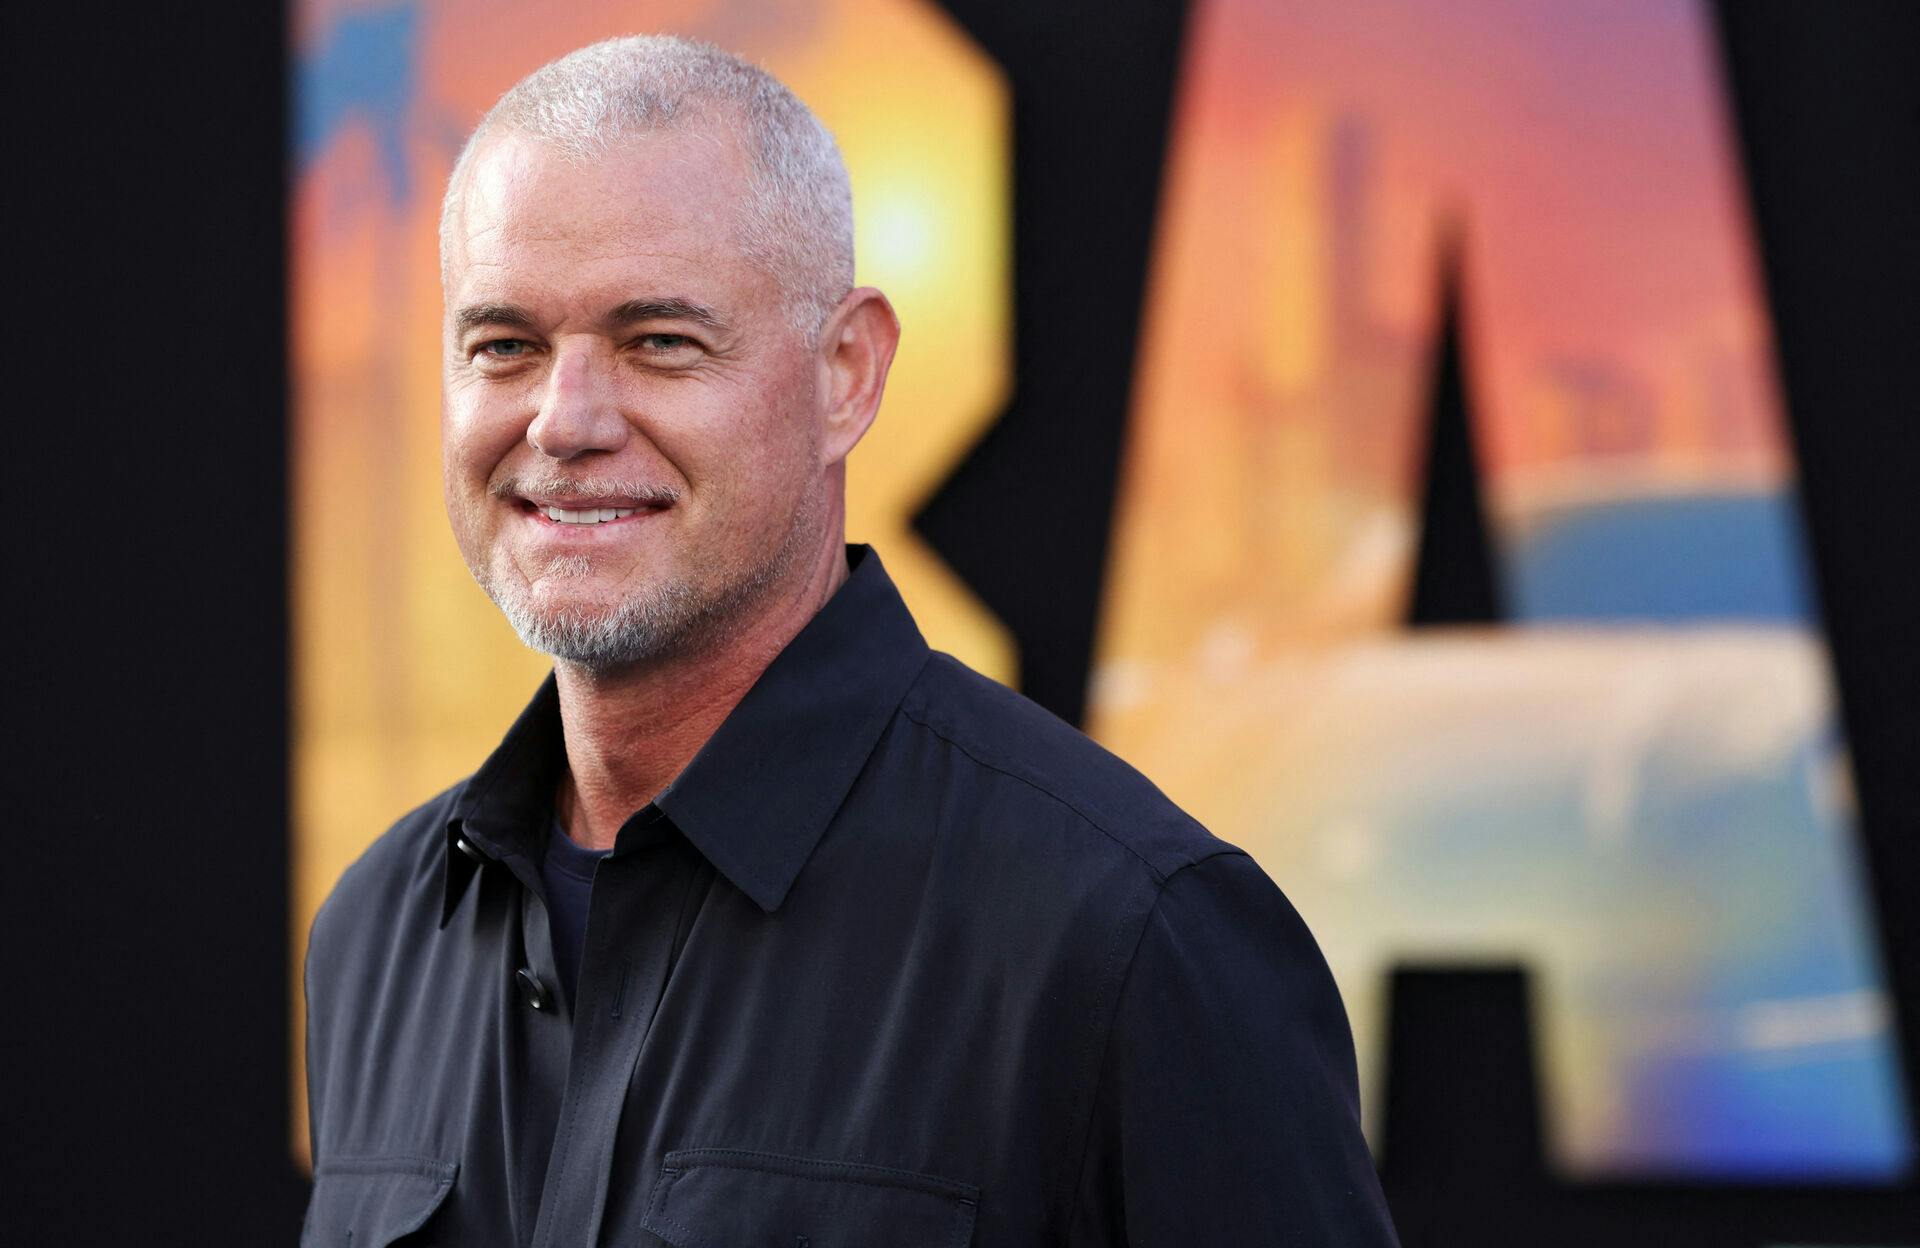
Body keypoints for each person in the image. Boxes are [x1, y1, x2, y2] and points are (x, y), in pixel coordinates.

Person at [303, 34, 1400, 1247]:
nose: (565, 421)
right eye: (503, 345)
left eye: (659, 340)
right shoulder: (378, 935)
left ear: (846, 374)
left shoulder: (1133, 937)